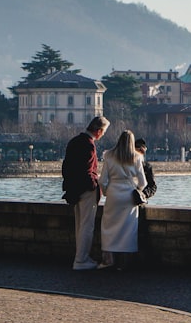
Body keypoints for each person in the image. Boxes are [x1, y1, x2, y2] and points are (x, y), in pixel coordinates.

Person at [62, 115, 110, 270]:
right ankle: (81, 260)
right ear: (98, 131)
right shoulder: (89, 145)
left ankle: (80, 258)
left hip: (74, 190)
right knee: (87, 226)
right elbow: (88, 171)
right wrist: (96, 186)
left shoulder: (74, 141)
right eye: (103, 132)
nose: (102, 135)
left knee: (79, 226)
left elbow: (66, 168)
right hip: (86, 191)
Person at [98, 130, 147, 270]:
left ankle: (108, 260)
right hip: (129, 196)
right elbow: (143, 183)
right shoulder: (137, 157)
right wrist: (136, 190)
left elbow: (102, 180)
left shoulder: (108, 155)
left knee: (108, 227)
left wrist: (107, 192)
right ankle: (124, 263)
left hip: (113, 193)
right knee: (128, 229)